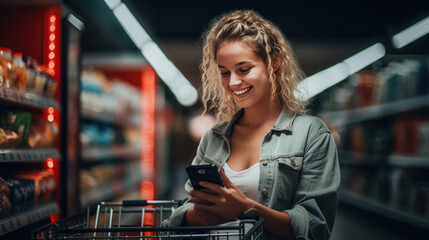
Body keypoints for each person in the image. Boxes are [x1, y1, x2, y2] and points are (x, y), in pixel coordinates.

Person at [161, 9, 340, 240]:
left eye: (244, 69)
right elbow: (187, 210)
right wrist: (203, 214)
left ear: (274, 61)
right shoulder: (214, 137)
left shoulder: (311, 135)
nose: (233, 82)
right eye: (224, 72)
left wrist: (245, 210)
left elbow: (315, 227)